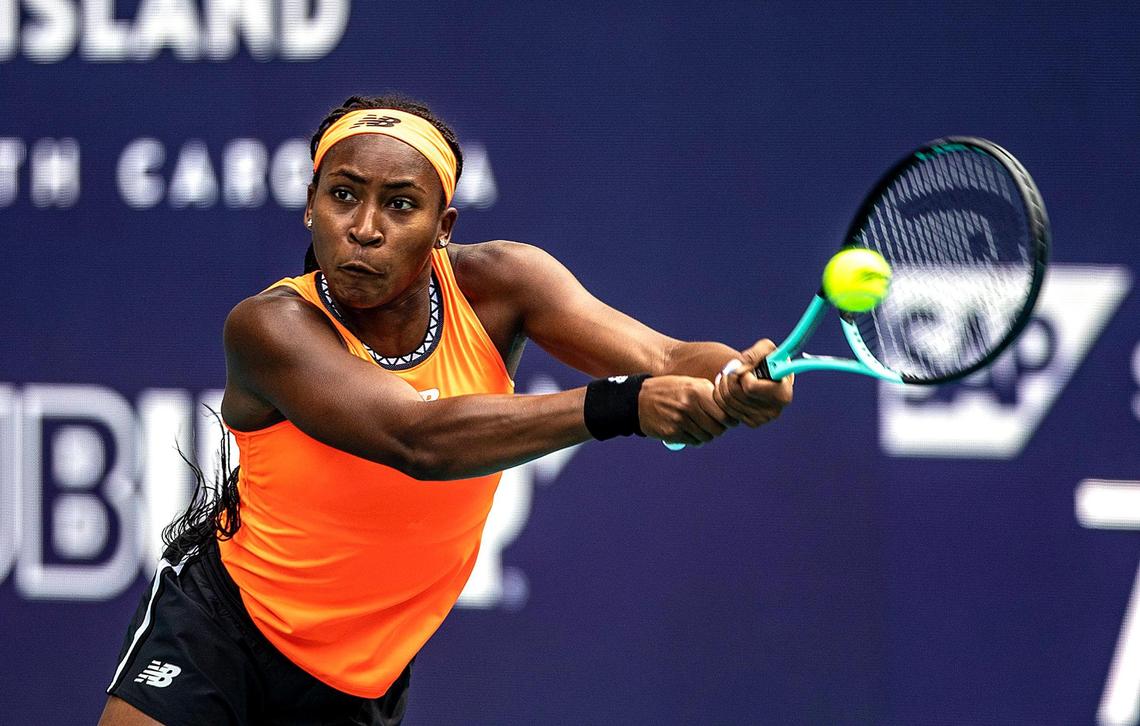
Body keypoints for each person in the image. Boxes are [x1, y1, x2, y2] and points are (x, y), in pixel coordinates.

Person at [99, 95, 793, 725]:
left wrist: (738, 376)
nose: (364, 228)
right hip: (219, 632)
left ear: (442, 226)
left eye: (400, 205)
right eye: (343, 196)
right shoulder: (269, 326)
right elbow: (416, 439)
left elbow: (666, 356)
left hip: (358, 682)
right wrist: (623, 404)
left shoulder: (502, 284)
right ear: (311, 205)